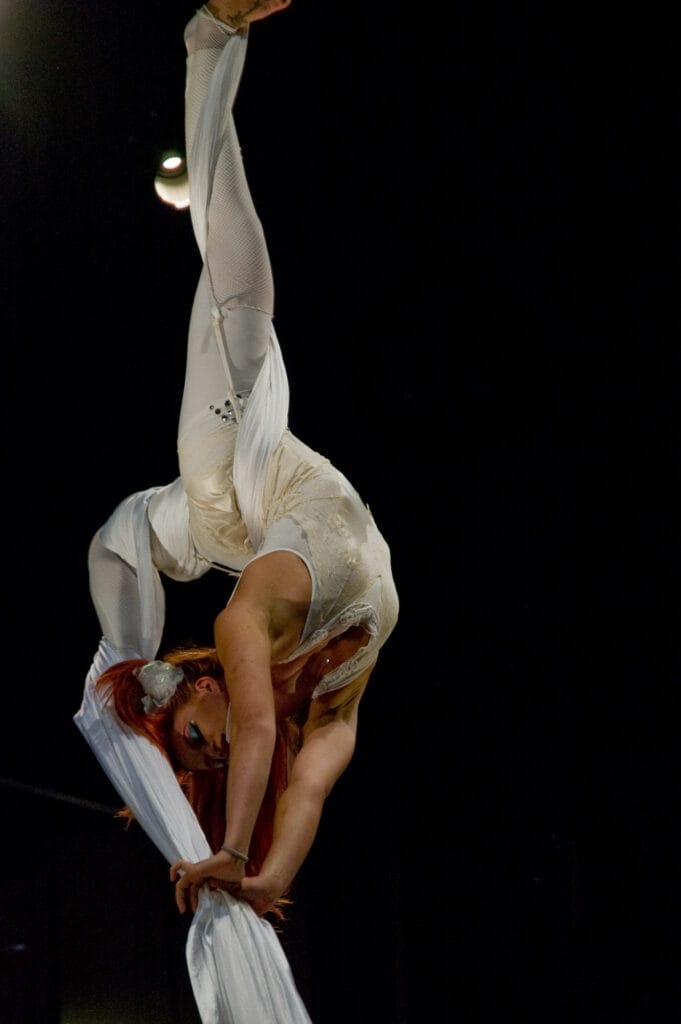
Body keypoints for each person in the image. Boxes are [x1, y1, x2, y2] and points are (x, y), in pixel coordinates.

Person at [76, 0, 399, 936]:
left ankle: (209, 42)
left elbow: (253, 732)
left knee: (237, 293)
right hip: (243, 512)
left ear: (206, 690)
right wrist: (262, 880)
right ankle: (211, 45)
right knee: (237, 308)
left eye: (191, 744)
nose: (211, 747)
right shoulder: (336, 706)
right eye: (202, 757)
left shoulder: (242, 618)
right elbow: (301, 797)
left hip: (240, 486)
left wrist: (225, 845)